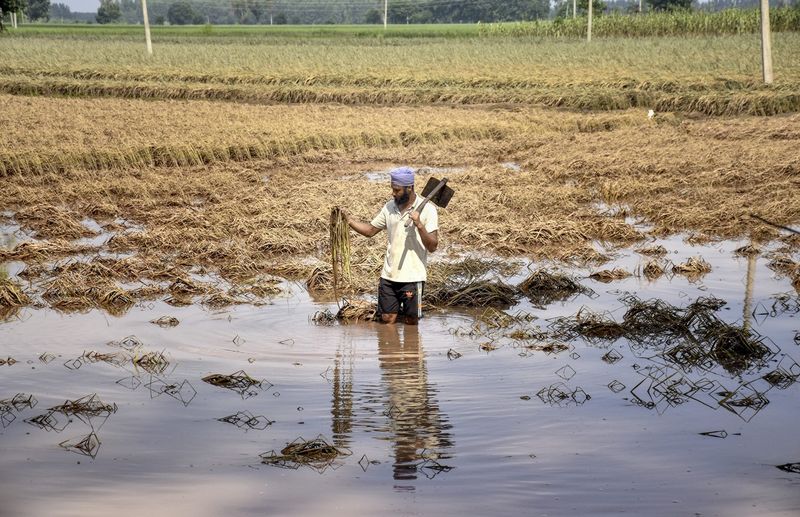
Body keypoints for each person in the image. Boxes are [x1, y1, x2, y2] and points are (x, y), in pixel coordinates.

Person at [346, 166, 438, 325]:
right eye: (392, 189)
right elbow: (370, 230)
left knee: (411, 322)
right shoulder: (389, 207)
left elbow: (433, 246)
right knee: (387, 319)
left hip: (413, 277)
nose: (393, 193)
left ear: (409, 188)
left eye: (397, 190)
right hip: (388, 276)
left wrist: (419, 224)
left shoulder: (428, 210)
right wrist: (348, 220)